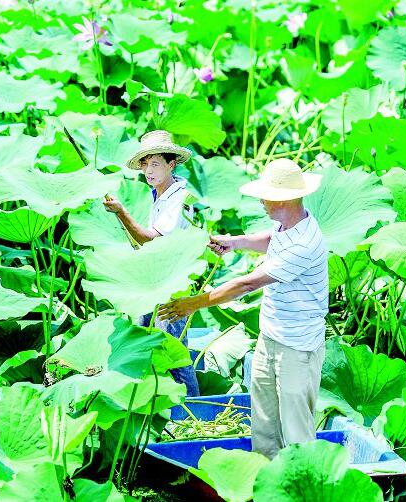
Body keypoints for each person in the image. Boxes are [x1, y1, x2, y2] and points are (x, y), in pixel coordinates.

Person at [158, 158, 328, 459]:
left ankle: (306, 485)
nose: (261, 201)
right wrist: (234, 242)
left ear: (285, 199)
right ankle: (268, 479)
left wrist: (193, 304)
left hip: (297, 347)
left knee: (296, 428)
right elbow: (272, 239)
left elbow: (248, 284)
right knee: (263, 422)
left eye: (266, 196)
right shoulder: (290, 223)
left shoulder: (306, 244)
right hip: (271, 335)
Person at [102, 129, 200, 397]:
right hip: (154, 281)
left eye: (155, 164)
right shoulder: (159, 195)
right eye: (145, 164)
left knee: (173, 354)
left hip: (172, 285)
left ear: (171, 164)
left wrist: (122, 213)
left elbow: (152, 240)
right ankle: (160, 409)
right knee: (147, 344)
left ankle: (194, 417)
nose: (148, 170)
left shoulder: (179, 198)